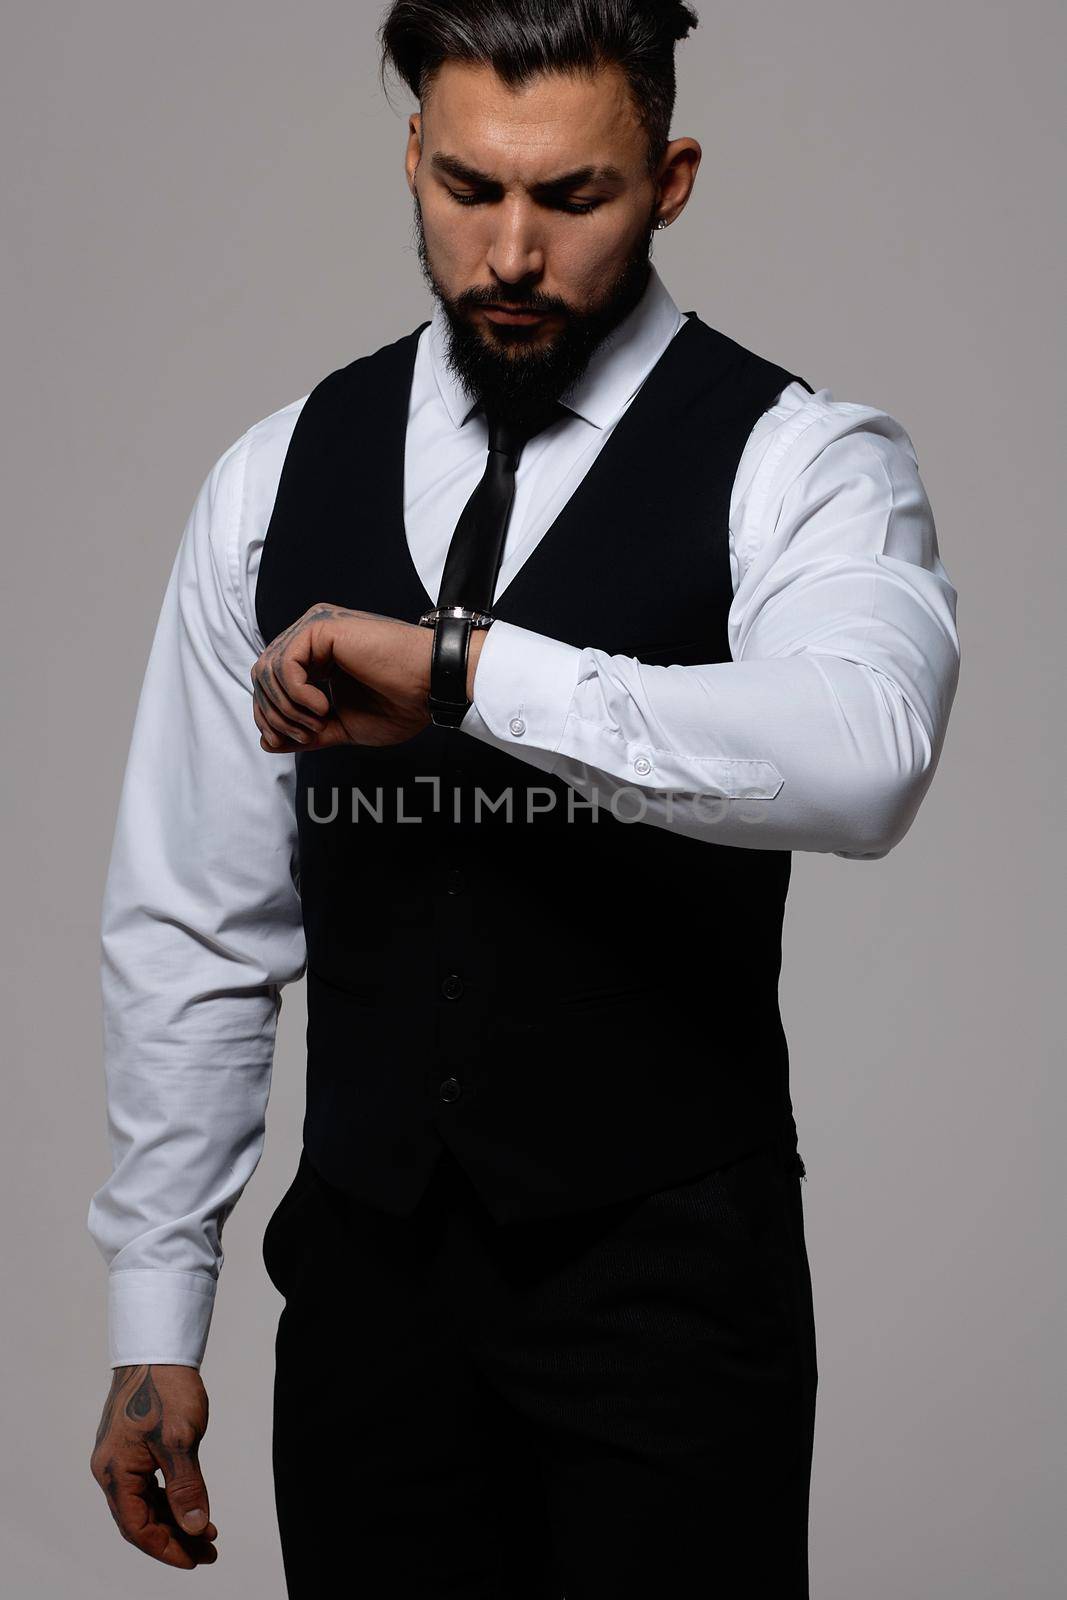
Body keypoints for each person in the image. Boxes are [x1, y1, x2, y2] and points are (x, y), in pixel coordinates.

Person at [87, 1, 961, 1594]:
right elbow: (195, 921)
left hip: (673, 1296)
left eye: (574, 199)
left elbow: (868, 750)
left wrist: (468, 672)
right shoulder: (275, 477)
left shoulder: (800, 459)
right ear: (413, 152)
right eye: (468, 188)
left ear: (671, 178)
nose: (509, 253)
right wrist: (159, 1312)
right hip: (366, 1295)